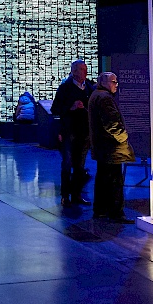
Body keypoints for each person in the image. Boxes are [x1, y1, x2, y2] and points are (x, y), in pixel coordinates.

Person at [88, 72, 136, 224]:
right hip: (111, 148)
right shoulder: (105, 98)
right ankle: (115, 212)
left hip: (103, 147)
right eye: (114, 82)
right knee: (114, 181)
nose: (116, 85)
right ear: (105, 83)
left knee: (103, 179)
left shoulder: (96, 95)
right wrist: (124, 138)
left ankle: (101, 210)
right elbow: (112, 124)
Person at [51, 59, 94, 207]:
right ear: (74, 71)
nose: (85, 72)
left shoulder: (88, 87)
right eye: (82, 69)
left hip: (84, 133)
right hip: (69, 132)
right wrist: (71, 107)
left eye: (86, 69)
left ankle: (76, 194)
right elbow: (55, 109)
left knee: (79, 165)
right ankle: (65, 196)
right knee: (67, 164)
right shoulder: (65, 88)